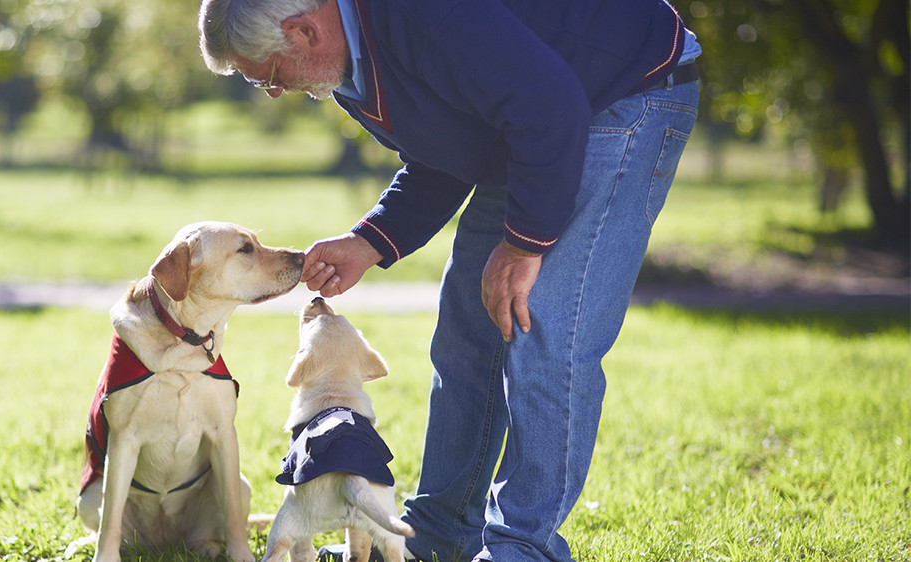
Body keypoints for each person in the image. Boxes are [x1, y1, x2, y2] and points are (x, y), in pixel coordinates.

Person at [197, 0, 700, 560]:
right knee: (466, 334)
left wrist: (524, 243)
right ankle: (437, 535)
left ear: (303, 32)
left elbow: (550, 104)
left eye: (265, 74)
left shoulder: (419, 13)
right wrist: (371, 241)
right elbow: (453, 148)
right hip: (531, 128)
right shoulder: (346, 73)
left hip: (618, 94)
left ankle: (521, 548)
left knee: (546, 333)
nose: (271, 91)